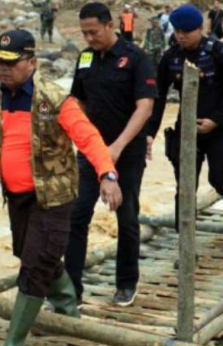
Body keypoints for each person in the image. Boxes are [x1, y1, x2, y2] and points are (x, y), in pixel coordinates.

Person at [0, 29, 121, 346]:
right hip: (16, 197)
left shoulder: (54, 99)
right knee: (34, 256)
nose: (3, 69)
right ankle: (66, 302)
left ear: (31, 62)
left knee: (33, 267)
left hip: (52, 197)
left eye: (11, 63)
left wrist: (107, 175)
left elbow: (88, 138)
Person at [65, 2, 157, 307]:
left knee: (126, 215)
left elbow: (145, 107)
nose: (89, 38)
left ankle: (126, 283)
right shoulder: (86, 58)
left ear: (109, 25)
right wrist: (82, 134)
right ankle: (71, 291)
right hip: (90, 151)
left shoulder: (135, 58)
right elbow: (77, 100)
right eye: (84, 33)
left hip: (126, 152)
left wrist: (117, 147)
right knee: (77, 215)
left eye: (93, 32)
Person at [148, 5, 223, 226]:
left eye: (186, 32)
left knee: (221, 180)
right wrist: (150, 132)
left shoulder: (219, 52)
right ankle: (184, 244)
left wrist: (215, 121)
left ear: (200, 29)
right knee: (185, 188)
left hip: (218, 126)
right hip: (187, 128)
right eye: (177, 31)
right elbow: (157, 97)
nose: (180, 36)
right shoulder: (171, 57)